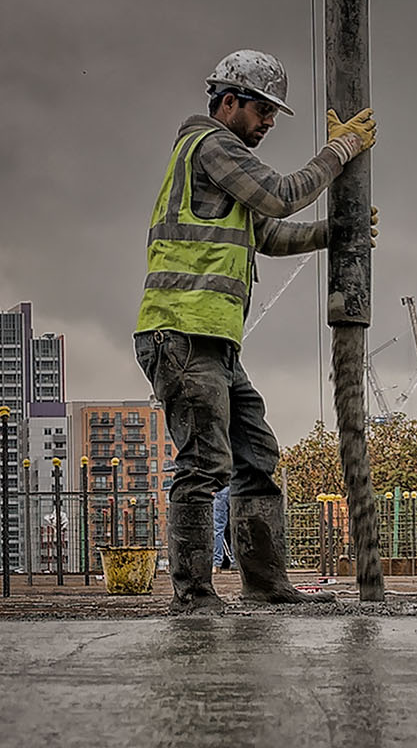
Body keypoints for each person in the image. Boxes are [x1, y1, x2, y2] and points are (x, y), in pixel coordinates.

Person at [135, 49, 375, 612]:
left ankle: (265, 584)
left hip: (212, 339)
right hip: (182, 333)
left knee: (257, 457)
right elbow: (284, 193)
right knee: (204, 463)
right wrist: (340, 151)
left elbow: (268, 232)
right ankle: (193, 594)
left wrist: (335, 232)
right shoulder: (212, 145)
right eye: (263, 109)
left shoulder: (224, 164)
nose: (268, 122)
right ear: (228, 102)